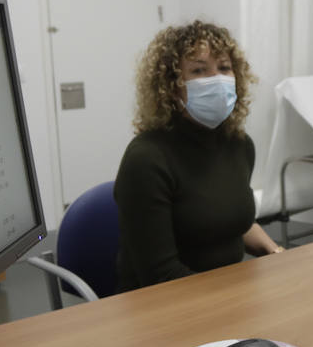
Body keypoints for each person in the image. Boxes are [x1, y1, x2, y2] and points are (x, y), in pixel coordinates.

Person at [114, 21, 283, 291]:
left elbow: (234, 220)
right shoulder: (147, 159)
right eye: (199, 70)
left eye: (224, 68)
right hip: (166, 304)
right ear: (171, 86)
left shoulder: (239, 145)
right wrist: (232, 298)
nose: (216, 79)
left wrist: (277, 254)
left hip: (227, 293)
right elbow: (161, 276)